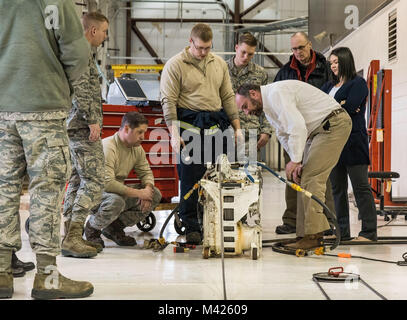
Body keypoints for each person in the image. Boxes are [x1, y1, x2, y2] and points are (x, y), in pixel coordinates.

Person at [0, 0, 93, 299]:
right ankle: (48, 277)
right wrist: (61, 84)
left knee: (3, 188)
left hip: (2, 109)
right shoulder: (54, 2)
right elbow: (77, 54)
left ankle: (1, 273)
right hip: (44, 107)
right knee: (47, 189)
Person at [235, 81, 352, 250]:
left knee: (312, 178)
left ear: (253, 94)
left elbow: (296, 127)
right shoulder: (268, 109)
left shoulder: (276, 93)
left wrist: (296, 160)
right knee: (302, 176)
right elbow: (284, 134)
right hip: (318, 130)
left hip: (333, 124)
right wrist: (295, 160)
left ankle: (314, 236)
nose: (247, 112)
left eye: (245, 106)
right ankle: (304, 235)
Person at [160, 23, 242, 245]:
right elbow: (168, 101)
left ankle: (216, 220)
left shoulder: (218, 64)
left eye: (207, 47)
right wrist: (174, 133)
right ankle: (191, 224)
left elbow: (227, 95)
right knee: (190, 176)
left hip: (216, 121)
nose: (204, 52)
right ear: (190, 42)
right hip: (188, 123)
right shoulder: (175, 65)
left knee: (222, 174)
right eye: (199, 48)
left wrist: (237, 127)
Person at [62, 12, 109, 258]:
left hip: (75, 124)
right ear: (93, 31)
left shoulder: (79, 51)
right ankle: (72, 236)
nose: (104, 36)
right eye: (103, 31)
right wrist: (92, 120)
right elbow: (82, 88)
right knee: (94, 180)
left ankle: (69, 234)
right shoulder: (81, 52)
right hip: (82, 125)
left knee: (78, 180)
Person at [273, 32, 331, 235]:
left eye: (301, 48)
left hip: (318, 130)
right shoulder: (284, 72)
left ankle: (325, 221)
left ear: (310, 45)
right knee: (292, 173)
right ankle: (292, 219)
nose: (298, 53)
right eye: (294, 49)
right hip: (293, 132)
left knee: (318, 176)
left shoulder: (325, 69)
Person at [321, 47, 377, 241]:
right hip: (333, 144)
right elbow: (319, 108)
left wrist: (338, 107)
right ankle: (342, 232)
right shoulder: (329, 86)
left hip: (353, 142)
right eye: (331, 63)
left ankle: (369, 232)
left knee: (360, 187)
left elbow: (351, 107)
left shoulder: (358, 83)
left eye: (336, 62)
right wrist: (339, 105)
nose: (333, 66)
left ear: (345, 61)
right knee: (337, 190)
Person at [84, 112, 162, 247]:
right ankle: (92, 229)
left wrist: (147, 189)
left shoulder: (137, 148)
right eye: (140, 132)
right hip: (93, 193)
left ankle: (114, 228)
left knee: (155, 194)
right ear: (126, 129)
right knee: (116, 201)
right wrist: (139, 193)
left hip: (114, 192)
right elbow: (107, 183)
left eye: (144, 132)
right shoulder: (108, 147)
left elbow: (145, 172)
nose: (143, 137)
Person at [226, 32, 272, 160]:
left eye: (250, 54)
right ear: (236, 48)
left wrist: (266, 130)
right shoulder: (221, 70)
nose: (246, 57)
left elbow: (268, 104)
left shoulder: (260, 73)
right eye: (243, 52)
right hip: (226, 133)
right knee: (223, 176)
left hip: (250, 135)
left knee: (250, 176)